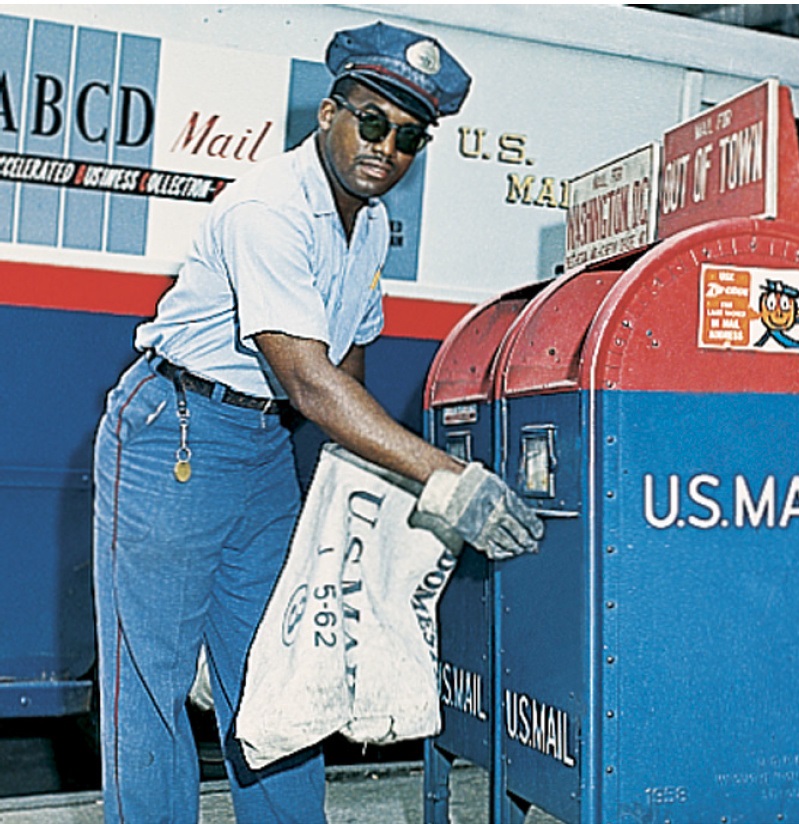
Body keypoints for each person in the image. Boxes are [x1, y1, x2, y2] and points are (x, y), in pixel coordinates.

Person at [92, 20, 542, 824]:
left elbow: (350, 370)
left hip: (262, 447)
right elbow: (309, 378)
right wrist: (447, 477)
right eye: (371, 121)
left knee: (280, 672)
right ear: (328, 113)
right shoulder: (269, 210)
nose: (387, 148)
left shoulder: (366, 225)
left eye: (409, 136)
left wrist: (386, 490)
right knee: (150, 685)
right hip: (176, 433)